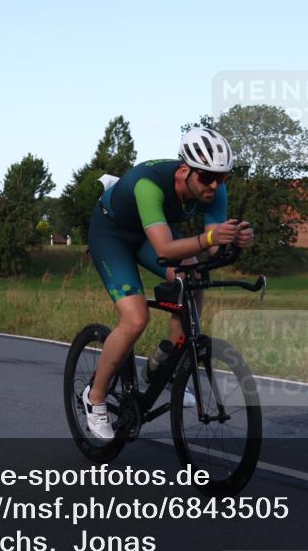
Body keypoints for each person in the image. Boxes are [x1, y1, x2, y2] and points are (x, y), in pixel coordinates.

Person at [83, 127, 255, 440]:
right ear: (185, 170)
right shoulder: (149, 185)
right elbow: (164, 249)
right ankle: (95, 398)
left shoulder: (215, 189)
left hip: (146, 236)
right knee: (136, 319)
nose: (214, 185)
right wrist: (210, 238)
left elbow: (213, 247)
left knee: (195, 274)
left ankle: (167, 361)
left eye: (223, 177)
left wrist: (236, 241)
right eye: (206, 177)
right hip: (112, 235)